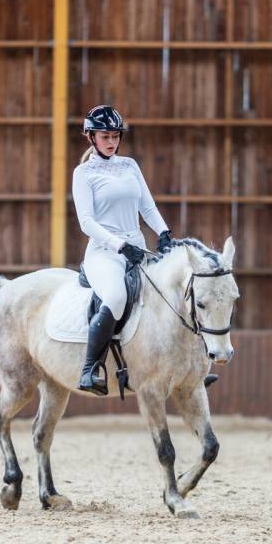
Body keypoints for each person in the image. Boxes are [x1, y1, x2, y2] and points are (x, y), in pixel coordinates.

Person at [72, 104, 173, 395]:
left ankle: (183, 367)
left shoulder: (130, 166)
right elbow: (86, 222)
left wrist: (164, 231)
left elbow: (147, 206)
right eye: (105, 136)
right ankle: (90, 369)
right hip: (105, 252)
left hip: (138, 248)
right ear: (90, 137)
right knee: (116, 297)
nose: (112, 141)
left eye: (116, 135)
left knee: (172, 294)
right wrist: (119, 245)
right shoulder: (84, 173)